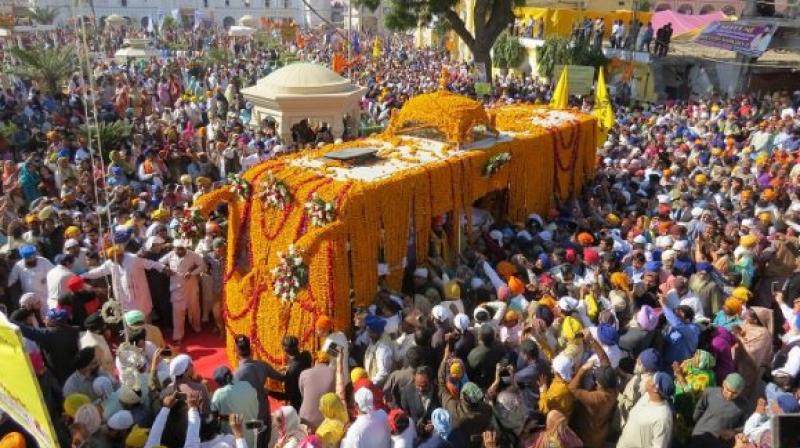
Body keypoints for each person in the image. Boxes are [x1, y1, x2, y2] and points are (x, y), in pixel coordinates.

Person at [82, 246, 168, 322]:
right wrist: (82, 276)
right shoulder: (111, 263)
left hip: (140, 297)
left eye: (113, 258)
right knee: (130, 321)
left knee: (145, 319)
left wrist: (164, 268)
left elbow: (151, 264)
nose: (111, 260)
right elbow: (98, 272)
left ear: (120, 255)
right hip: (124, 298)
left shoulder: (133, 259)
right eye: (111, 259)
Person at [158, 239, 205, 344]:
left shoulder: (193, 255)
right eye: (177, 249)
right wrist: (166, 270)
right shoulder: (170, 255)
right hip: (176, 289)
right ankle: (178, 336)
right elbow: (159, 263)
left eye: (182, 249)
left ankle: (196, 326)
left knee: (194, 309)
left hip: (191, 288)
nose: (180, 252)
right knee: (178, 312)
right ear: (174, 249)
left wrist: (192, 272)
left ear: (185, 248)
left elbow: (202, 266)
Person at [617, 372, 674, 448]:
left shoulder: (663, 418)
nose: (648, 379)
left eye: (651, 379)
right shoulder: (647, 395)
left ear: (655, 389)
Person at [8, 245, 54, 311]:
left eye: (33, 258)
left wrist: (47, 278)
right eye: (29, 259)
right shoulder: (18, 265)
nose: (32, 260)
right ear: (24, 258)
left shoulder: (44, 261)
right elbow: (11, 280)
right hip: (30, 301)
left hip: (45, 297)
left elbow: (54, 272)